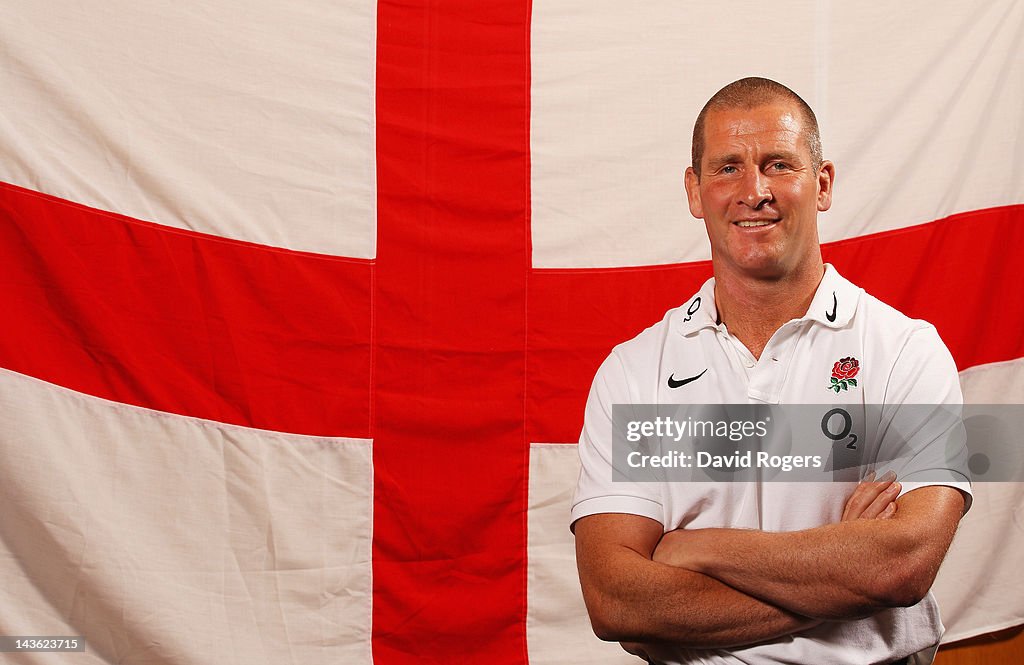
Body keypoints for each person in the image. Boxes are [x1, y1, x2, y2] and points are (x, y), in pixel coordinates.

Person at [570, 77, 971, 665]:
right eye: (727, 167)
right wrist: (847, 578)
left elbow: (903, 565)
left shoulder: (908, 352)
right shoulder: (633, 372)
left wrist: (696, 549)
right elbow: (616, 601)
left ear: (823, 183)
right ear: (694, 190)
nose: (753, 191)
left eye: (778, 164)